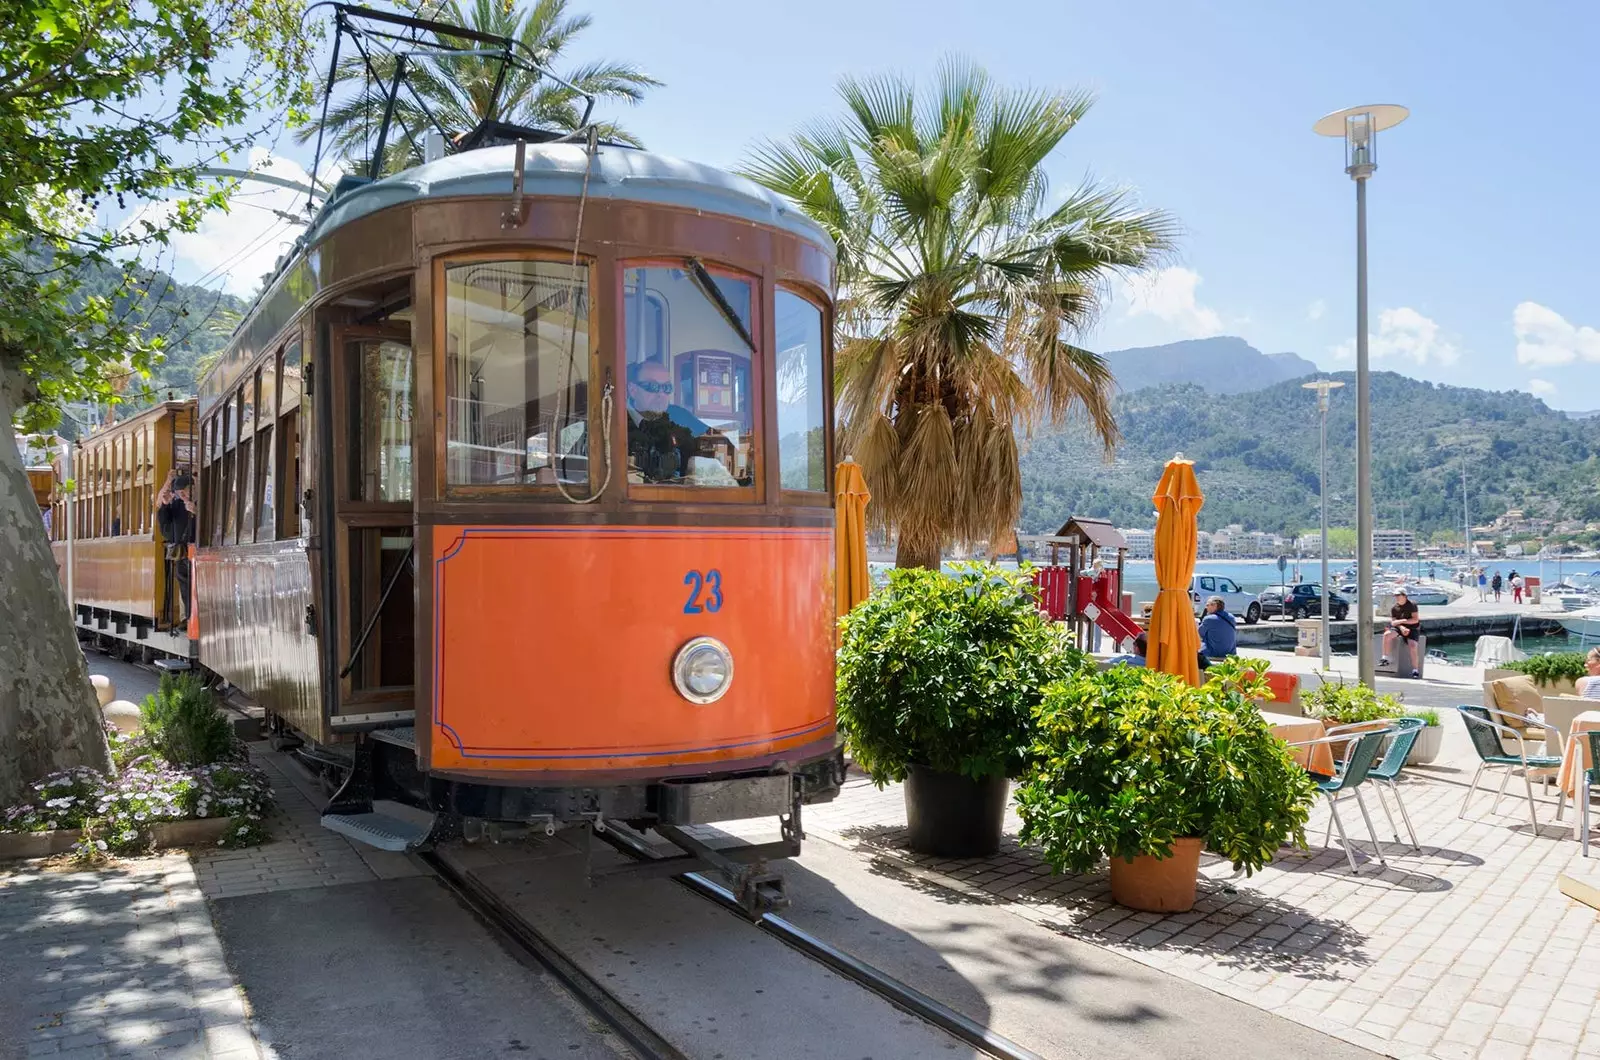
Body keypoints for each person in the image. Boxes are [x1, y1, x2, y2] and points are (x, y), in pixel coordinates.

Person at [154, 469, 196, 626]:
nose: (182, 496)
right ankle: (189, 617)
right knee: (184, 583)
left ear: (191, 490)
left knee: (193, 584)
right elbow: (164, 527)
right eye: (179, 494)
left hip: (198, 552)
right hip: (182, 552)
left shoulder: (200, 504)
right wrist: (164, 506)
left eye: (184, 492)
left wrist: (196, 512)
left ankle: (192, 616)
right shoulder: (177, 505)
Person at [1379, 588, 1422, 678]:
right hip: (1399, 628)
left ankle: (1415, 670)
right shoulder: (1394, 608)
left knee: (1413, 646)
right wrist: (1401, 627)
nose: (1396, 597)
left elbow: (1415, 619)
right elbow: (1393, 622)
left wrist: (1401, 621)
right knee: (1387, 635)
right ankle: (1385, 658)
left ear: (1404, 596)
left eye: (1398, 595)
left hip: (1412, 628)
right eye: (1395, 595)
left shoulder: (1412, 605)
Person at [1197, 595, 1238, 663]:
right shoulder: (1231, 617)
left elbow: (1199, 634)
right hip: (1231, 654)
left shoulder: (1209, 619)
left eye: (1207, 605)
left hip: (1213, 654)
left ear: (1215, 605)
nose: (1206, 607)